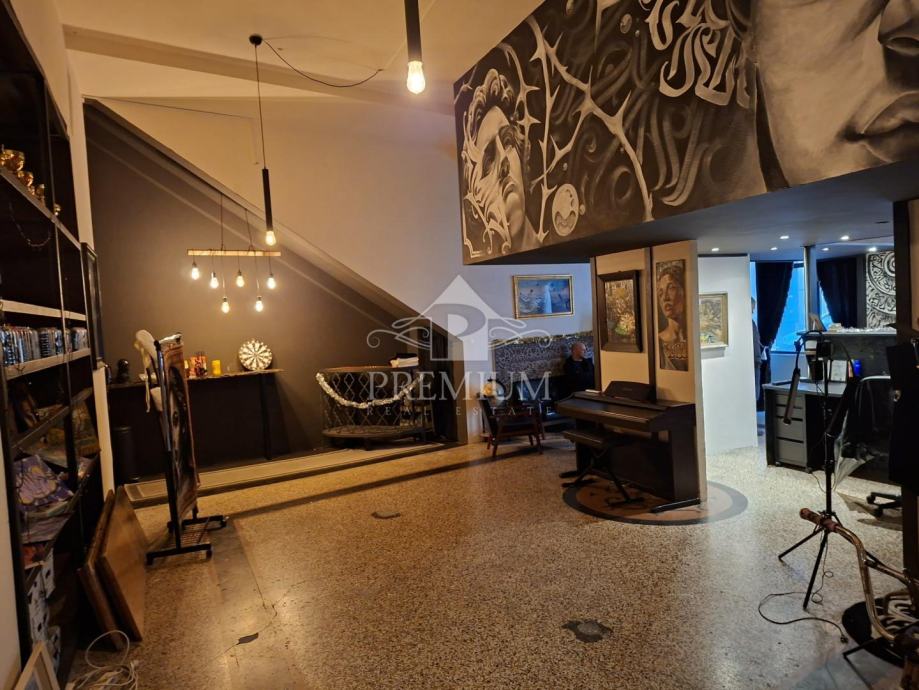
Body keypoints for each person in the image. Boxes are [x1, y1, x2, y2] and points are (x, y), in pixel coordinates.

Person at [657, 262, 688, 371]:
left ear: (684, 291)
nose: (665, 298)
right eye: (660, 293)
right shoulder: (659, 342)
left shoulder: (693, 338)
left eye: (671, 288)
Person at [752, 298, 765, 416]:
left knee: (756, 390)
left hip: (756, 361)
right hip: (753, 362)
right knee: (753, 391)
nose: (753, 310)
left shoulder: (752, 323)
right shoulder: (749, 324)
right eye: (752, 307)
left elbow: (757, 341)